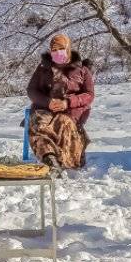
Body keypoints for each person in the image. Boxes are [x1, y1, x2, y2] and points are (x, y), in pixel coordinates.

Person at [26, 34, 95, 170]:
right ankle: (49, 158)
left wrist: (67, 102)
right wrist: (48, 102)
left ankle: (66, 160)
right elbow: (31, 90)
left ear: (68, 48)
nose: (57, 52)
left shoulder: (82, 70)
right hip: (45, 108)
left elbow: (89, 94)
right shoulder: (43, 68)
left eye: (61, 48)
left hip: (70, 111)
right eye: (54, 49)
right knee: (39, 123)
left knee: (63, 123)